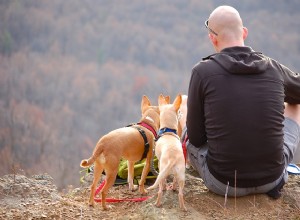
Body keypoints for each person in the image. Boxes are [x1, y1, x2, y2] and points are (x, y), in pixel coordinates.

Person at [186, 5, 300, 199]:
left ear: (212, 38)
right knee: (295, 104)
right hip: (272, 178)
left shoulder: (202, 72)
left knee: (185, 128)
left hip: (223, 183)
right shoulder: (273, 68)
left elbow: (196, 139)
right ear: (245, 32)